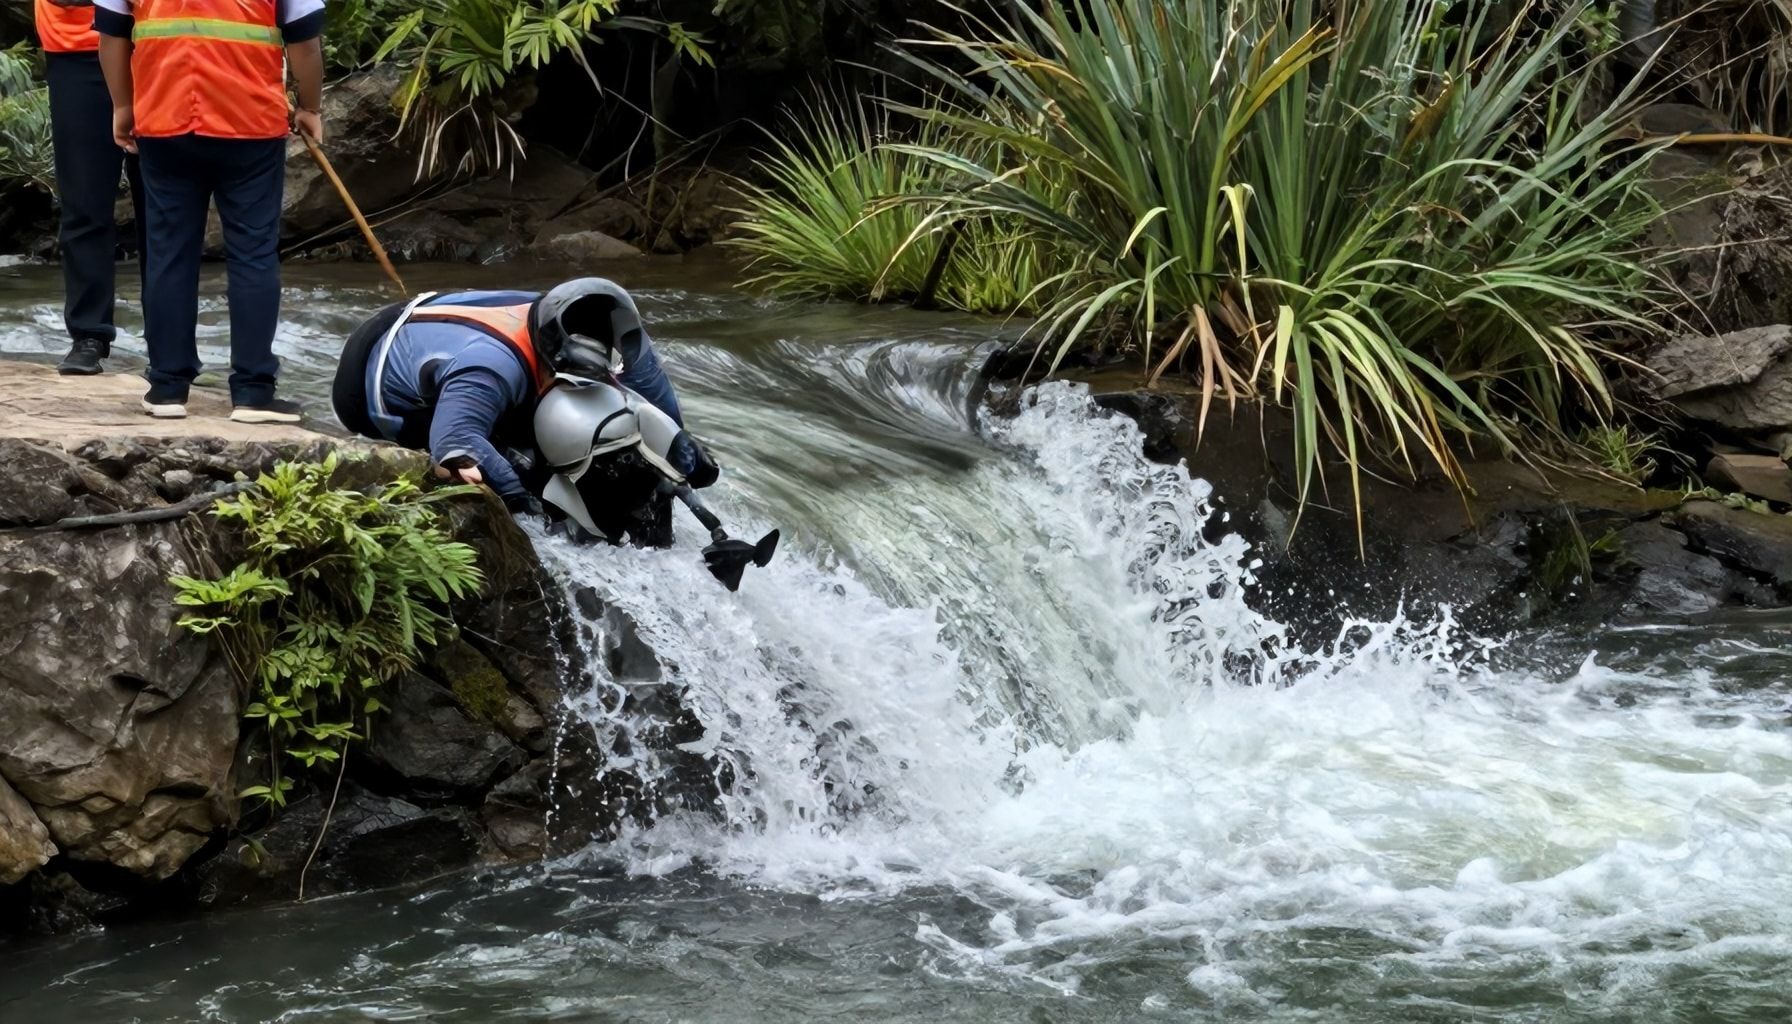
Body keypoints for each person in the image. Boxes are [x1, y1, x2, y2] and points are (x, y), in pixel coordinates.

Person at [93, 0, 325, 422]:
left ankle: (167, 387)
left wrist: (123, 107)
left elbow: (111, 36)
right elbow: (305, 42)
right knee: (253, 253)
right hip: (250, 123)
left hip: (163, 119)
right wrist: (310, 107)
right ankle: (254, 392)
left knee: (169, 254)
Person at [331, 278, 716, 519]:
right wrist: (522, 503)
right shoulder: (492, 366)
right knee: (526, 466)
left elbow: (648, 385)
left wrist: (681, 449)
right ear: (553, 356)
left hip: (432, 331)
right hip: (371, 388)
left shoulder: (607, 318)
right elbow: (455, 440)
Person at [35, 0, 145, 377]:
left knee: (164, 208)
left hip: (155, 46)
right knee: (84, 202)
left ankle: (170, 346)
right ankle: (88, 335)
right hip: (77, 52)